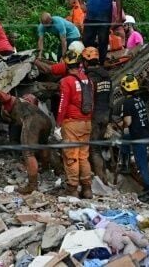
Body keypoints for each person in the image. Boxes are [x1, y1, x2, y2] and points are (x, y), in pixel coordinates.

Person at [0, 91, 57, 194]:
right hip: (45, 120)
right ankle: (47, 168)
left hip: (32, 120)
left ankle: (32, 185)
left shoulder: (9, 102)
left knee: (28, 153)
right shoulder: (25, 105)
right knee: (43, 145)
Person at [55, 50, 93, 198]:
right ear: (80, 64)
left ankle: (72, 189)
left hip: (71, 123)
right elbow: (92, 103)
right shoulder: (88, 80)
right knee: (84, 156)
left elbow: (63, 104)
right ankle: (87, 189)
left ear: (66, 65)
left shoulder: (66, 81)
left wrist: (58, 123)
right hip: (87, 123)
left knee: (71, 156)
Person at [78, 0, 122, 65]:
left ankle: (101, 62)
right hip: (90, 17)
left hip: (104, 18)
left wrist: (118, 16)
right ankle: (89, 61)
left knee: (103, 41)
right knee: (87, 40)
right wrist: (82, 4)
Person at [120, 74, 149, 195]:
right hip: (145, 132)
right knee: (125, 137)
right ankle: (125, 161)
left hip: (138, 136)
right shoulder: (139, 99)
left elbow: (128, 122)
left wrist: (122, 123)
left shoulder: (127, 102)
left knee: (141, 163)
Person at [81, 47, 111, 183]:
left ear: (86, 61)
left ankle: (101, 180)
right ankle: (103, 177)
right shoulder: (106, 75)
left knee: (94, 150)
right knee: (98, 148)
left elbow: (88, 101)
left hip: (95, 116)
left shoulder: (90, 78)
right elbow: (110, 98)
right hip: (105, 115)